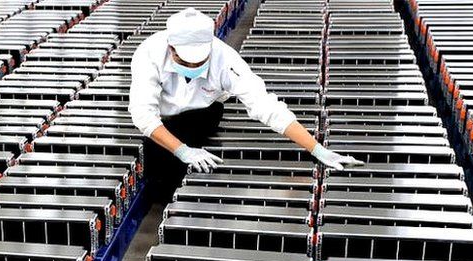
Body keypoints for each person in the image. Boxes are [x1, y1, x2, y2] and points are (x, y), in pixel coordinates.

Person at [129, 7, 363, 201]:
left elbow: (266, 106)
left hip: (203, 113)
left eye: (198, 62)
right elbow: (143, 114)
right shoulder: (148, 54)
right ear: (171, 48)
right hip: (162, 117)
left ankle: (183, 198)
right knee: (158, 159)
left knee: (188, 165)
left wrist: (317, 149)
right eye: (184, 61)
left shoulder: (226, 60)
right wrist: (181, 150)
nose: (192, 68)